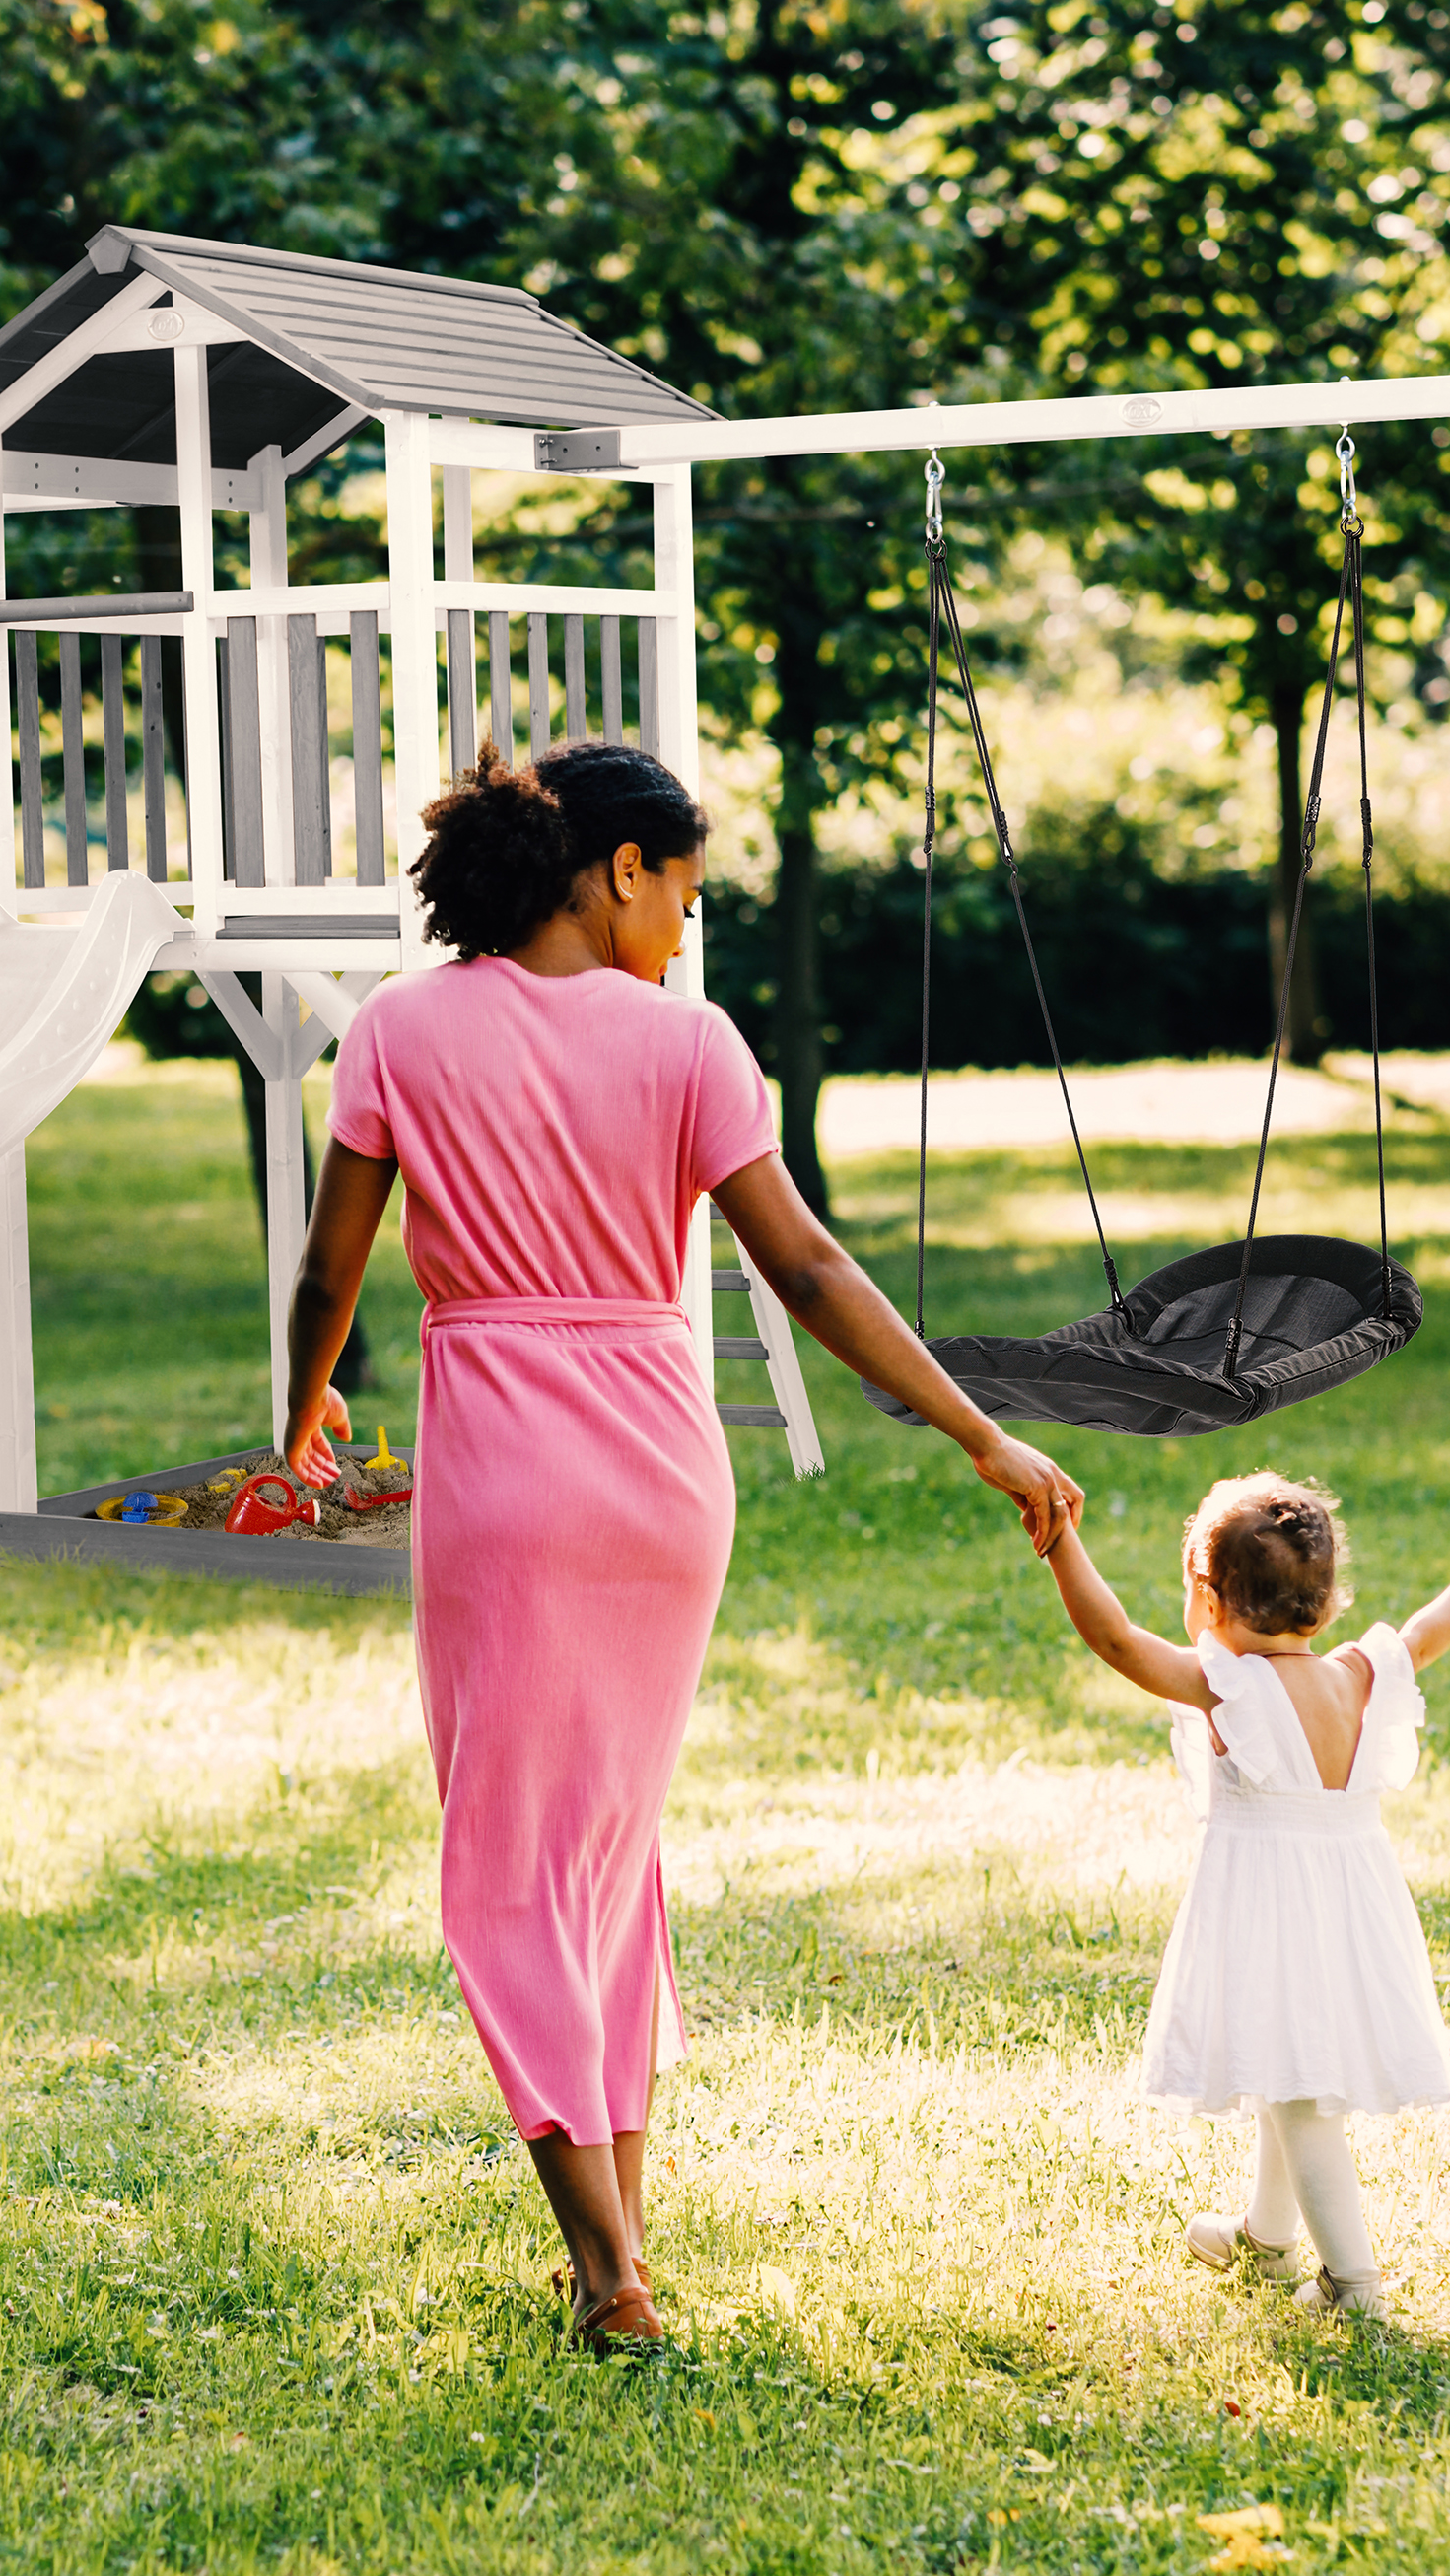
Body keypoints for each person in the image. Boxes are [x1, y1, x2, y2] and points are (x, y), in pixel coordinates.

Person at [282, 741, 1084, 2353]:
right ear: (619, 870)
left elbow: (331, 1270)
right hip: (662, 1475)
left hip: (505, 1475)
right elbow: (806, 1270)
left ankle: (606, 2274)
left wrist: (297, 1419)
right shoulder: (689, 1046)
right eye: (687, 896)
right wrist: (979, 1428)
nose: (686, 932)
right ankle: (622, 2246)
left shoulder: (399, 1030)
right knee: (605, 1860)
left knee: (510, 1872)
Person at [1036, 1472, 1450, 2318]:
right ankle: (1266, 2238)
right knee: (1282, 2066)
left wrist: (1060, 1540)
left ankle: (1353, 2284)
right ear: (1327, 1604)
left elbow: (1115, 1639)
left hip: (1272, 1913)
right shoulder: (1358, 1675)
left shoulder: (1230, 1689)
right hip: (1349, 1909)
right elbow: (1425, 1632)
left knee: (1299, 2098)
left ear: (1210, 1600)